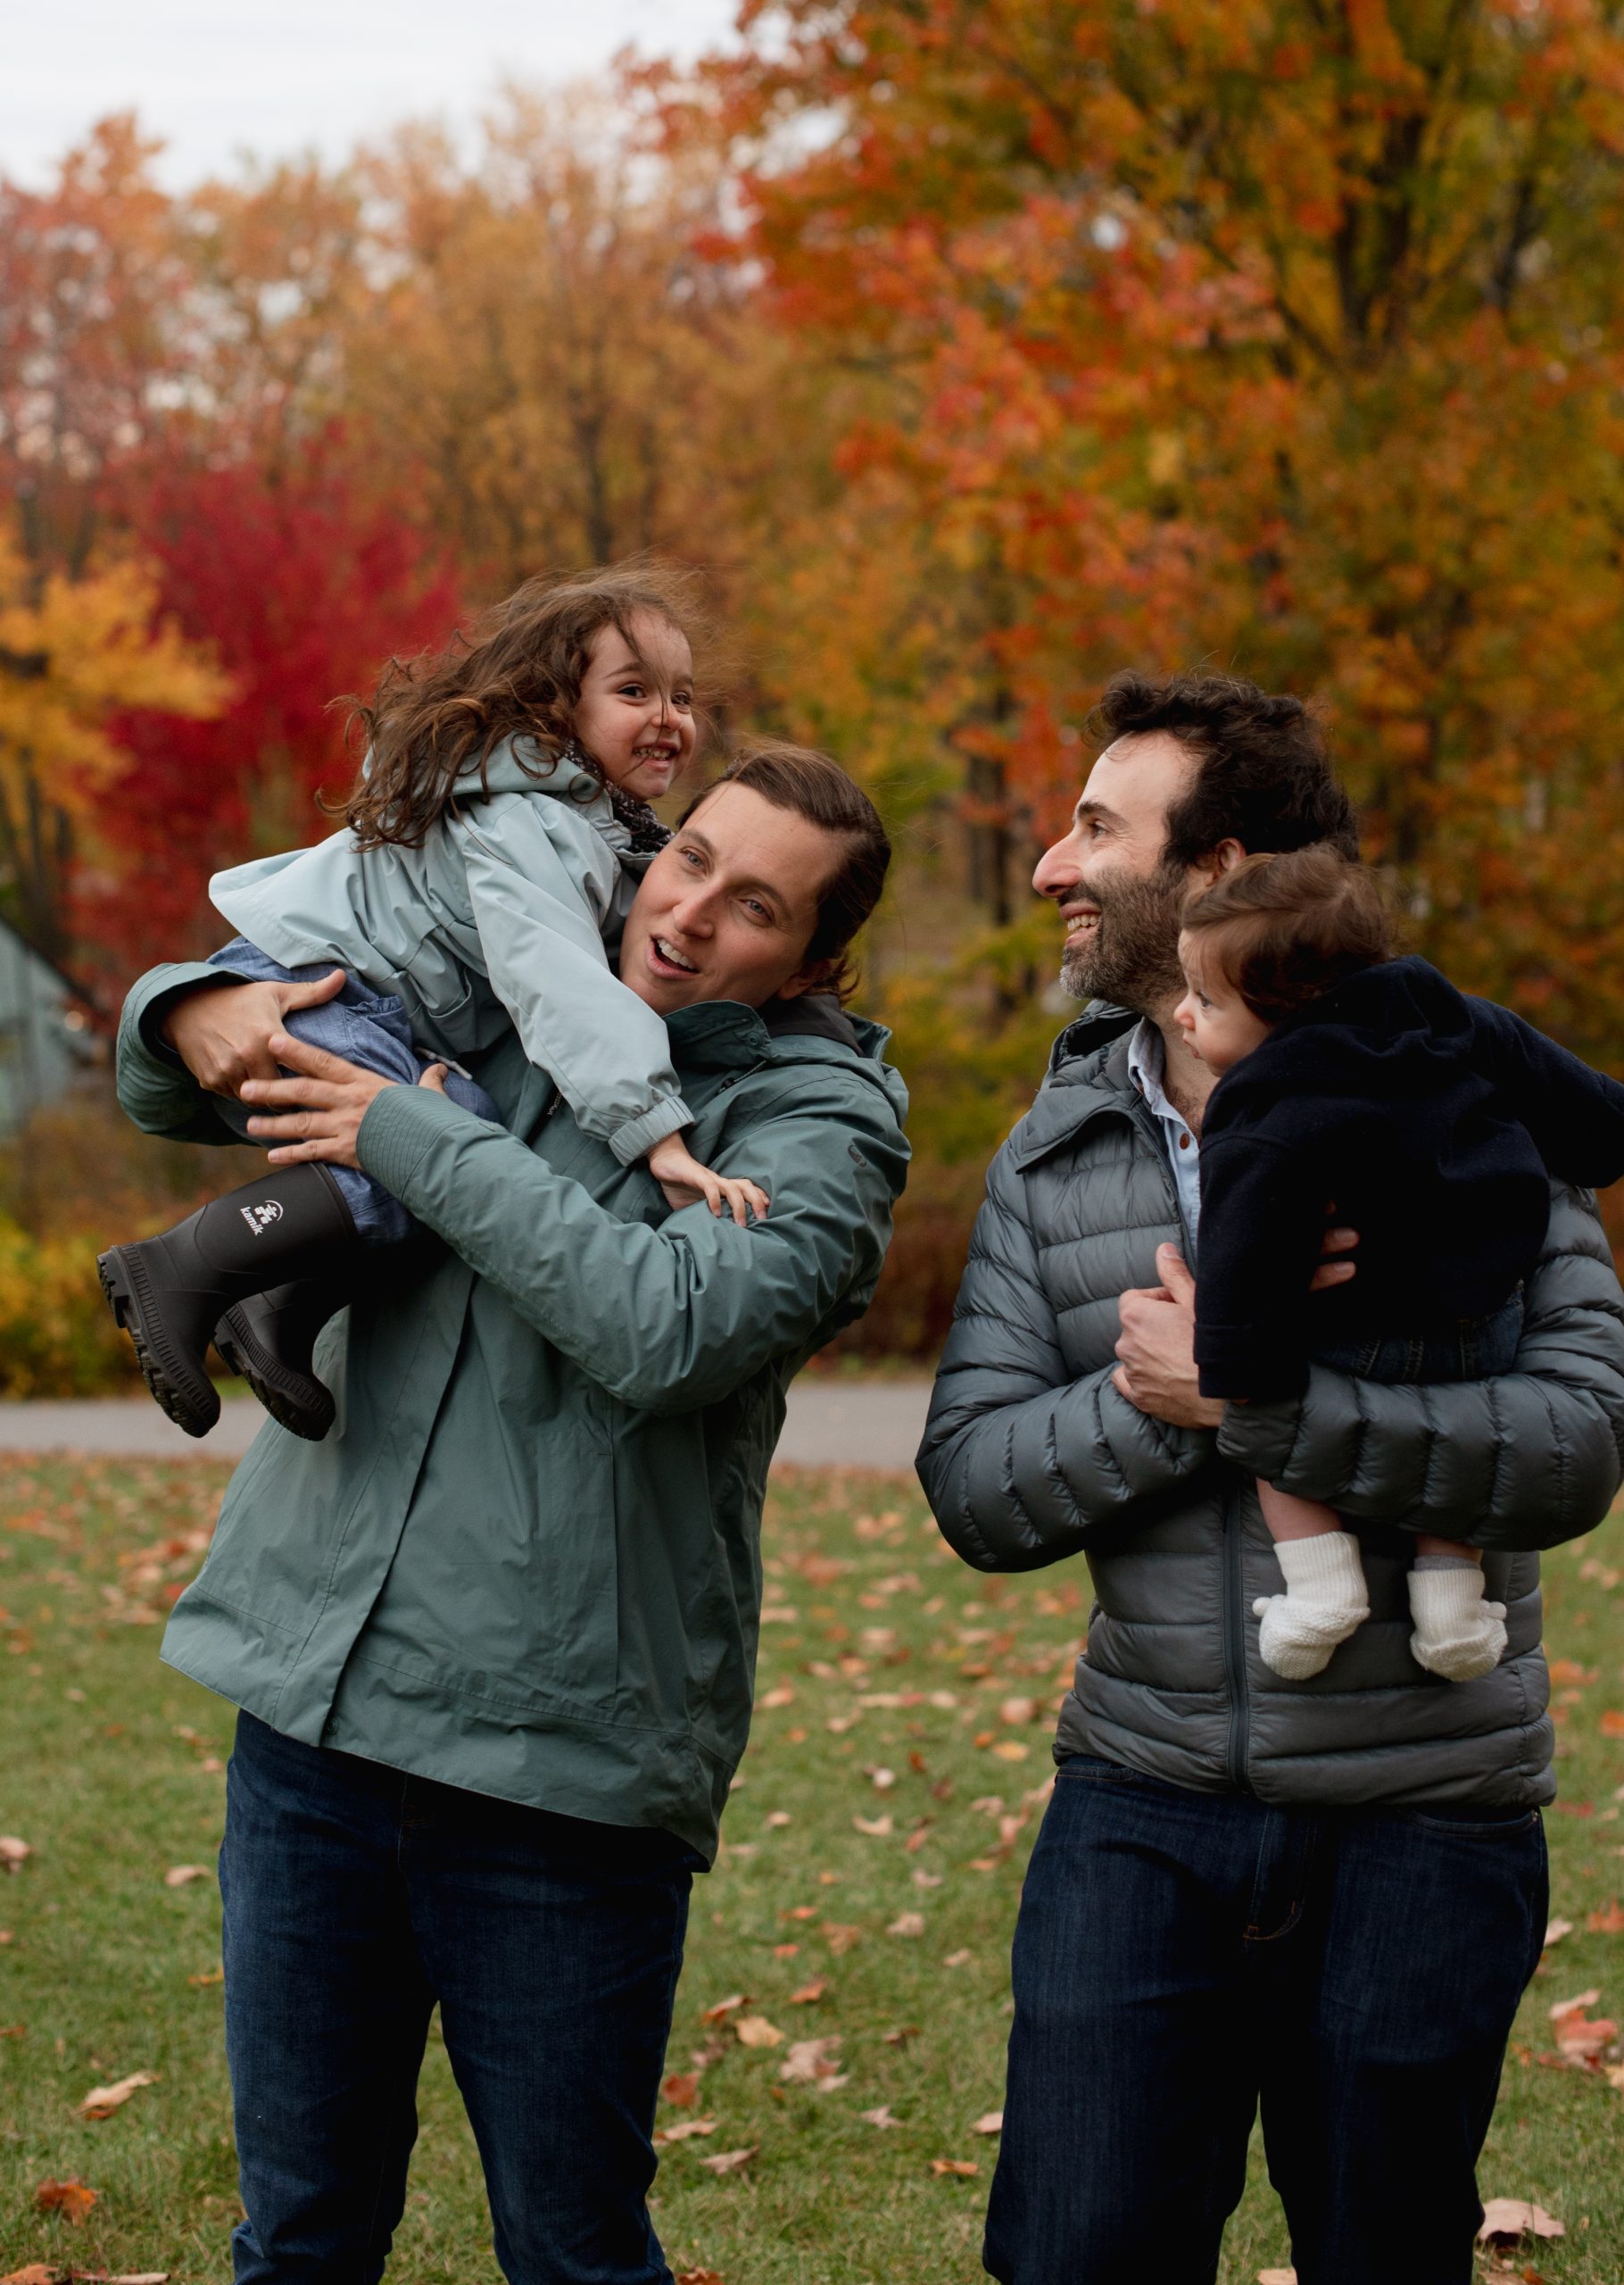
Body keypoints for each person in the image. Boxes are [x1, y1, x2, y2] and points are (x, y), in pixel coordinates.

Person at [113, 744, 909, 2285]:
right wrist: (184, 1006)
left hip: (559, 1772)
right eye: (691, 857)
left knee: (571, 2252)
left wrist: (415, 1137)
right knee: (298, 2239)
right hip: (315, 1728)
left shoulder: (820, 1123)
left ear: (814, 963)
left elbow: (669, 1329)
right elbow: (199, 1067)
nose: (690, 913)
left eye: (757, 908)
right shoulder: (512, 976)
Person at [916, 671, 1624, 2285]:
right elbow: (972, 1486)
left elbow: (1576, 1447)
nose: (1052, 864)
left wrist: (1250, 1400)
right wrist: (1165, 1399)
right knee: (1073, 2257)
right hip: (1142, 1803)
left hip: (1427, 1815)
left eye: (1098, 828)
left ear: (1218, 870)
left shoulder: (1473, 1099)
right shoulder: (1058, 1144)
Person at [98, 562, 765, 1447]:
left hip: (364, 1005)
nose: (669, 717)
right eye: (634, 691)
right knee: (427, 1137)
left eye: (683, 696)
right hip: (313, 987)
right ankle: (182, 1265)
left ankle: (277, 1307)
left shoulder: (595, 825)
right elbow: (555, 977)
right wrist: (657, 1134)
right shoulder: (528, 816)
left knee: (456, 1141)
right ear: (552, 708)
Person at [1174, 844, 1624, 1683]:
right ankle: (1452, 1603)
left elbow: (1243, 1261)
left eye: (1204, 999)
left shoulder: (1264, 1105)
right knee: (1459, 1434)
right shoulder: (1462, 1024)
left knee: (1270, 1421)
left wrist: (1229, 1371)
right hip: (1484, 1329)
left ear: (1283, 1012)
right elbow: (1600, 1130)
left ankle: (1321, 1585)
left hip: (1351, 1337)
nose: (1183, 1015)